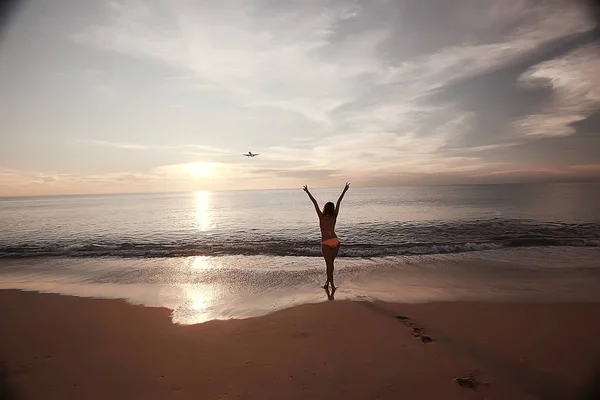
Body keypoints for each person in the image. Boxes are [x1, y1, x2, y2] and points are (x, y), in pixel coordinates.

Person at [303, 182, 350, 291]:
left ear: (325, 208)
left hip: (325, 242)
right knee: (330, 265)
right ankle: (328, 283)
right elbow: (339, 202)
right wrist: (344, 190)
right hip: (335, 241)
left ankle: (331, 285)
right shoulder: (334, 217)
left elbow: (314, 202)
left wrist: (307, 191)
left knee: (328, 265)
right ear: (332, 209)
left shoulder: (321, 216)